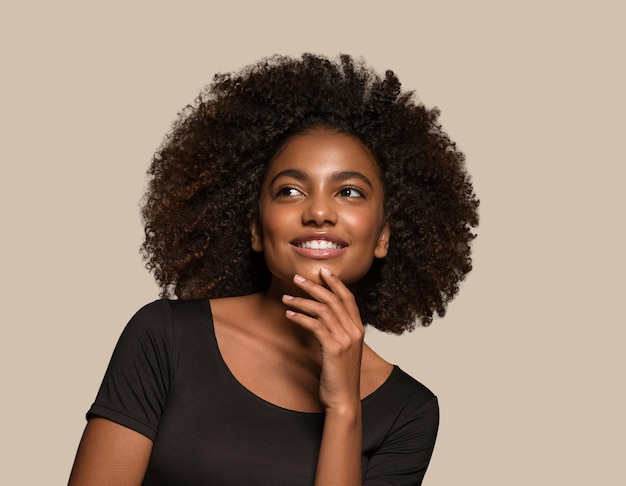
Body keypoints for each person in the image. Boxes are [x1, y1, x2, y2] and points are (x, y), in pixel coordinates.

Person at [68, 53, 479, 485]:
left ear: (382, 237)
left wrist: (343, 408)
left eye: (350, 192)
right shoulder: (165, 337)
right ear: (256, 231)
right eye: (290, 190)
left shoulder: (407, 411)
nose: (319, 211)